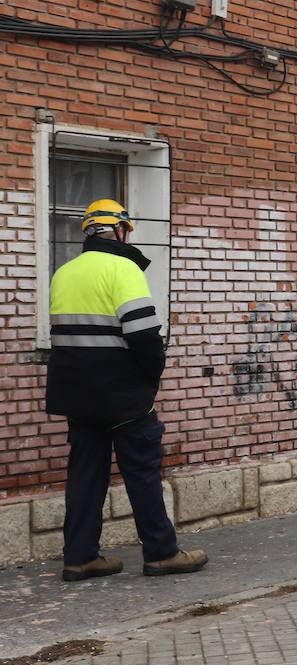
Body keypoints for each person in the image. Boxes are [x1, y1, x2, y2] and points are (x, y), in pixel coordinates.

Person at [47, 199, 207, 582]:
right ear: (119, 230)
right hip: (123, 394)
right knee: (142, 472)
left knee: (85, 474)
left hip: (78, 394)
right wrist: (151, 381)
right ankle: (161, 553)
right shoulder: (124, 268)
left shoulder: (64, 273)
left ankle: (80, 557)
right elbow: (144, 337)